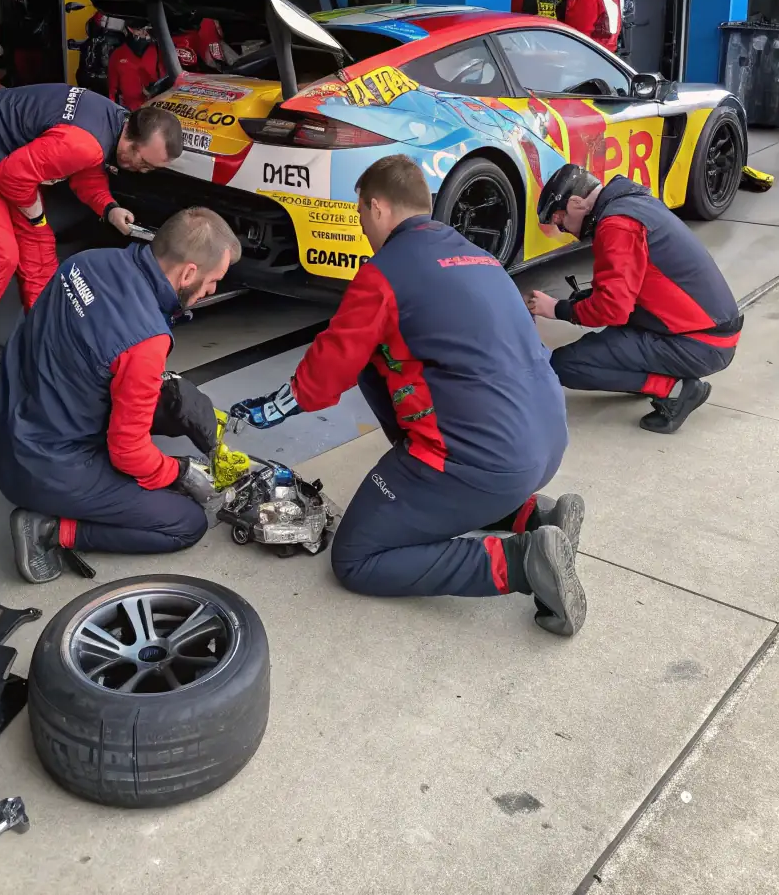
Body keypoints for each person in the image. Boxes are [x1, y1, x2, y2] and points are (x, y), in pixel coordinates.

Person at [232, 154, 587, 637]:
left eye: (360, 213)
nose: (361, 226)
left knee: (357, 557)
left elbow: (325, 372)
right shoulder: (480, 259)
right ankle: (534, 513)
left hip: (482, 461)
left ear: (377, 206)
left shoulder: (385, 274)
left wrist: (270, 410)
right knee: (381, 362)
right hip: (543, 442)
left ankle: (523, 562)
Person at [0, 207, 240, 582]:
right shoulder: (145, 340)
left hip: (6, 427)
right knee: (185, 522)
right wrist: (179, 472)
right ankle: (49, 529)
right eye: (212, 281)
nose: (211, 290)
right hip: (42, 468)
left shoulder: (88, 262)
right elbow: (128, 452)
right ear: (188, 272)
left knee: (175, 398)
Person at [0, 85, 183, 402]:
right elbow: (13, 176)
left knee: (40, 254)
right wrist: (34, 215)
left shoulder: (115, 121)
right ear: (131, 136)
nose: (142, 171)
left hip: (3, 157)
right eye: (143, 162)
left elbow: (84, 171)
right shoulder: (86, 142)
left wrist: (109, 208)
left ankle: (44, 347)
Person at [527, 165, 742, 433]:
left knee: (566, 364)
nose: (564, 230)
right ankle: (651, 372)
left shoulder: (618, 225)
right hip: (707, 331)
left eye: (560, 220)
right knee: (605, 341)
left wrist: (558, 309)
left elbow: (613, 309)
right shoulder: (633, 204)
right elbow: (635, 282)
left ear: (576, 202)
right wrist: (589, 297)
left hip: (699, 343)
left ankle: (674, 390)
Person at [107, 24, 164, 110]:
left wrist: (156, 89)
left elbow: (165, 78)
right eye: (140, 29)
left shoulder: (157, 50)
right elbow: (112, 88)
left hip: (154, 107)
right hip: (128, 108)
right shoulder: (118, 54)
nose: (144, 33)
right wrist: (114, 109)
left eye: (146, 29)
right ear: (130, 29)